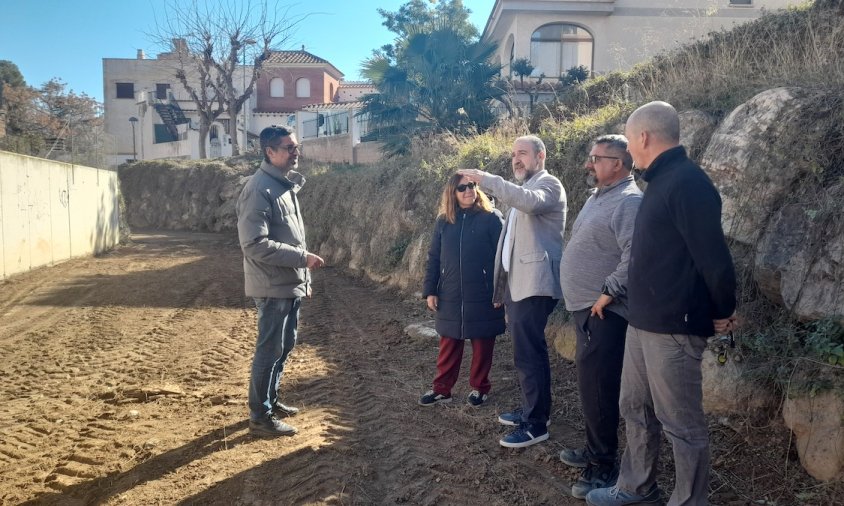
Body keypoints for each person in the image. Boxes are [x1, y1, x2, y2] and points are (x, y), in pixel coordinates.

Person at [586, 102, 737, 506]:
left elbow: (715, 259)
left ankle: (690, 501)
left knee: (681, 425)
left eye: (630, 138)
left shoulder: (689, 183)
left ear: (644, 138)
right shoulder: (660, 182)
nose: (629, 148)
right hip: (643, 321)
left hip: (676, 326)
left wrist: (723, 310)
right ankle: (636, 488)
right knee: (633, 406)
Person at [458, 135, 566, 448]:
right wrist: (501, 290)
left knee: (529, 355)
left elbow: (528, 201)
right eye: (513, 155)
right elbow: (509, 248)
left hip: (534, 286)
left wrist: (487, 180)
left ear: (540, 155)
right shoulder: (525, 191)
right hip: (519, 287)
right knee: (527, 353)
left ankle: (536, 425)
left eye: (522, 153)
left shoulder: (549, 185)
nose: (516, 159)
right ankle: (535, 412)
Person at [558, 135, 642, 499]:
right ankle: (595, 450)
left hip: (605, 312)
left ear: (619, 164)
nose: (588, 164)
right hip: (587, 309)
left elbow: (635, 254)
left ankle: (604, 466)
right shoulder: (600, 197)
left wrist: (608, 291)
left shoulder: (629, 201)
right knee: (591, 387)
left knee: (600, 390)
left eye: (596, 158)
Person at [236, 125, 325, 438]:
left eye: (295, 146)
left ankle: (269, 401)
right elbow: (254, 244)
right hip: (271, 286)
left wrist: (304, 278)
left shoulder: (283, 185)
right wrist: (302, 259)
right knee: (269, 350)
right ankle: (259, 416)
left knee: (284, 347)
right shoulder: (259, 188)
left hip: (287, 284)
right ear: (269, 152)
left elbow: (291, 236)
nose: (295, 151)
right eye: (288, 147)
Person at [418, 173, 505, 408]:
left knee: (482, 342)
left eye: (472, 185)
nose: (468, 190)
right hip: (450, 293)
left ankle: (480, 388)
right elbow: (434, 258)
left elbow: (504, 259)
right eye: (462, 188)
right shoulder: (444, 222)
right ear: (452, 193)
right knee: (449, 342)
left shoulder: (491, 218)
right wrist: (431, 290)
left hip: (484, 293)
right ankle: (442, 389)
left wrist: (501, 292)